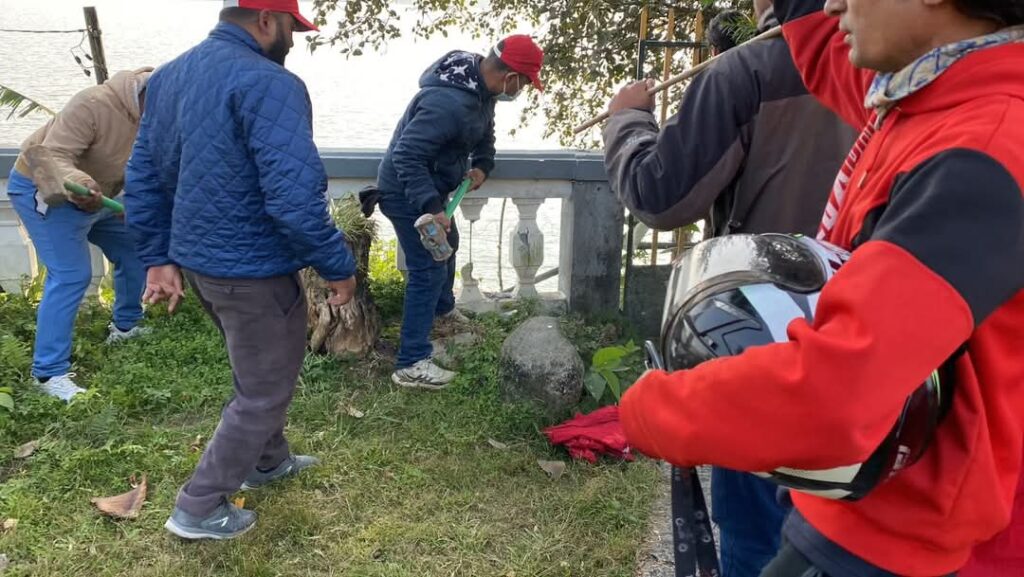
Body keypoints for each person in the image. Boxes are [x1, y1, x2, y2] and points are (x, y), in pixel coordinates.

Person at [617, 0, 1024, 573]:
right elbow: (827, 50)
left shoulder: (979, 149)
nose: (832, 4)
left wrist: (655, 409)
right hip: (866, 498)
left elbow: (838, 395)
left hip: (896, 537)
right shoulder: (931, 96)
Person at [601, 0, 855, 573]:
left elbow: (659, 194)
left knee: (758, 531)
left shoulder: (752, 69)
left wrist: (627, 121)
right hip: (875, 341)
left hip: (767, 334)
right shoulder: (919, 67)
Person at [124, 0, 357, 540]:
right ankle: (198, 506)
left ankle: (269, 461)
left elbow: (143, 176)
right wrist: (337, 266)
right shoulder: (272, 83)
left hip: (205, 266)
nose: (294, 42)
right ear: (266, 21)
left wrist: (159, 256)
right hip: (254, 270)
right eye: (293, 29)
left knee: (258, 372)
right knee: (263, 389)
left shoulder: (169, 77)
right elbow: (295, 200)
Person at [376, 34, 544, 390]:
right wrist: (431, 207)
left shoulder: (481, 87)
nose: (523, 90)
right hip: (405, 192)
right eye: (526, 82)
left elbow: (485, 131)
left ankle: (442, 311)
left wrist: (483, 164)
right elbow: (407, 156)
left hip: (432, 189)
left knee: (447, 241)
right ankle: (411, 362)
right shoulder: (447, 103)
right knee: (427, 267)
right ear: (511, 76)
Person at [7, 68, 154, 401]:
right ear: (145, 95)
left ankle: (126, 326)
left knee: (134, 249)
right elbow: (54, 154)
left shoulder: (161, 115)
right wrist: (85, 187)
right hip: (47, 190)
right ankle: (47, 374)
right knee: (72, 275)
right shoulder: (92, 103)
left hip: (104, 196)